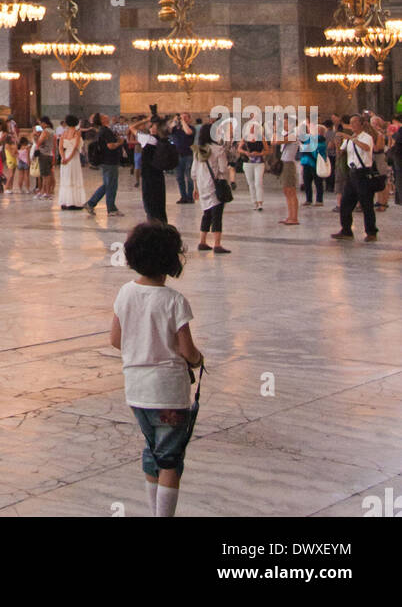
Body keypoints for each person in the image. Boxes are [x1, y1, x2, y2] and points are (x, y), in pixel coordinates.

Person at [110, 222, 203, 517]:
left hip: (137, 391)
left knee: (153, 452)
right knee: (170, 460)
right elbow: (187, 350)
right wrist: (199, 360)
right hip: (168, 394)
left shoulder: (125, 293)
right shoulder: (174, 301)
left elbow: (115, 339)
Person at [333, 114, 379, 242]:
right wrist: (337, 145)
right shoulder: (349, 139)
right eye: (351, 123)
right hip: (352, 173)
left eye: (354, 122)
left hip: (363, 173)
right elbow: (340, 153)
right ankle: (346, 230)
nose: (352, 125)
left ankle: (371, 232)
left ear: (361, 124)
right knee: (345, 203)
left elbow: (366, 148)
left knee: (366, 204)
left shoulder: (367, 137)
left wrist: (351, 138)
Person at [192, 122, 230, 253]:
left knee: (206, 213)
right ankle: (217, 244)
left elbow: (194, 171)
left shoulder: (198, 149)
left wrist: (195, 188)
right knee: (217, 214)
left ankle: (202, 241)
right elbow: (223, 169)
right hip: (215, 185)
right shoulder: (218, 149)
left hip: (202, 185)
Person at [85, 113, 125, 216]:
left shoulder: (105, 130)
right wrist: (120, 143)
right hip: (109, 161)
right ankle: (111, 209)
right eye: (103, 116)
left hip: (108, 161)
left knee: (108, 184)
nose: (106, 115)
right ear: (102, 120)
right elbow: (110, 146)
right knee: (111, 185)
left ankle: (91, 203)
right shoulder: (105, 131)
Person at [138, 120, 168, 225]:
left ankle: (153, 225)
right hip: (158, 174)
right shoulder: (163, 140)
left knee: (149, 202)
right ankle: (162, 223)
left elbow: (132, 128)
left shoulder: (148, 139)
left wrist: (146, 119)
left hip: (148, 174)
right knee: (159, 200)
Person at [237, 116, 268, 211]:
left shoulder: (261, 138)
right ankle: (254, 202)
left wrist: (259, 153)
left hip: (259, 163)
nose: (252, 128)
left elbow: (267, 150)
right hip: (248, 162)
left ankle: (260, 202)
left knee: (259, 182)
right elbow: (239, 149)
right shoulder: (245, 138)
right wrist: (246, 152)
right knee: (250, 183)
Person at [57, 114, 86, 210]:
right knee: (74, 177)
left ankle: (65, 201)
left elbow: (60, 147)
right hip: (73, 158)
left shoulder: (64, 133)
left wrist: (63, 158)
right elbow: (75, 147)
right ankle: (74, 202)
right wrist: (68, 158)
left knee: (66, 178)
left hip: (65, 156)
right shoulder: (77, 133)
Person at [298, 123, 327, 207]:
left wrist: (303, 146)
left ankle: (319, 200)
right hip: (307, 162)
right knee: (307, 181)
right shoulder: (311, 138)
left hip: (315, 163)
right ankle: (309, 199)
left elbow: (311, 148)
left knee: (318, 182)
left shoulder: (320, 139)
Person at [169, 112, 195, 205]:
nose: (183, 119)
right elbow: (168, 130)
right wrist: (175, 120)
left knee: (189, 177)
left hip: (188, 155)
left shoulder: (191, 128)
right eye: (182, 117)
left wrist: (183, 121)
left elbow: (188, 132)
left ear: (189, 119)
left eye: (185, 117)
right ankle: (183, 197)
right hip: (177, 155)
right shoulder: (175, 129)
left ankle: (190, 197)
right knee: (179, 177)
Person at [277, 124, 300, 225]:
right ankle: (290, 216)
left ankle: (294, 217)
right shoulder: (287, 135)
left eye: (286, 123)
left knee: (291, 190)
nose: (284, 125)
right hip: (284, 163)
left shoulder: (294, 135)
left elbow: (277, 141)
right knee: (286, 190)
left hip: (289, 164)